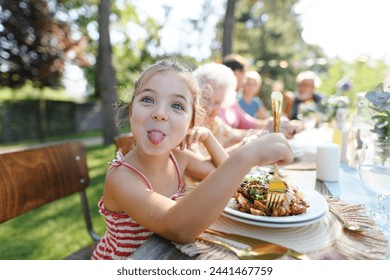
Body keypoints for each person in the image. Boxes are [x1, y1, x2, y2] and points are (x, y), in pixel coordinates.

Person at [91, 58, 294, 260]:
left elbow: (223, 175)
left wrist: (208, 137)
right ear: (131, 110)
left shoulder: (178, 158)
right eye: (148, 99)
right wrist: (248, 155)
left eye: (177, 105)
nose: (160, 113)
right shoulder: (121, 177)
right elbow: (179, 229)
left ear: (191, 123)